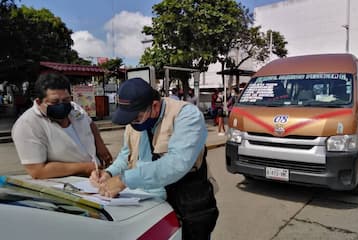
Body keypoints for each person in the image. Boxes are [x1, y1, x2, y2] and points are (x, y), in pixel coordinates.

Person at [90, 77, 218, 240]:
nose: (132, 123)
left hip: (188, 204)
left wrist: (123, 180)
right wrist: (108, 173)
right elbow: (126, 156)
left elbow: (176, 164)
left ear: (155, 106)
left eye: (136, 118)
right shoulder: (134, 122)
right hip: (148, 204)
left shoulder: (186, 115)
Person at [12, 72, 113, 179]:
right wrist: (86, 168)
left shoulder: (73, 108)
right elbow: (37, 171)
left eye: (65, 100)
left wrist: (100, 145)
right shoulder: (27, 124)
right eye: (54, 102)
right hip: (69, 184)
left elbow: (89, 123)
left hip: (97, 175)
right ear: (38, 101)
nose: (61, 105)